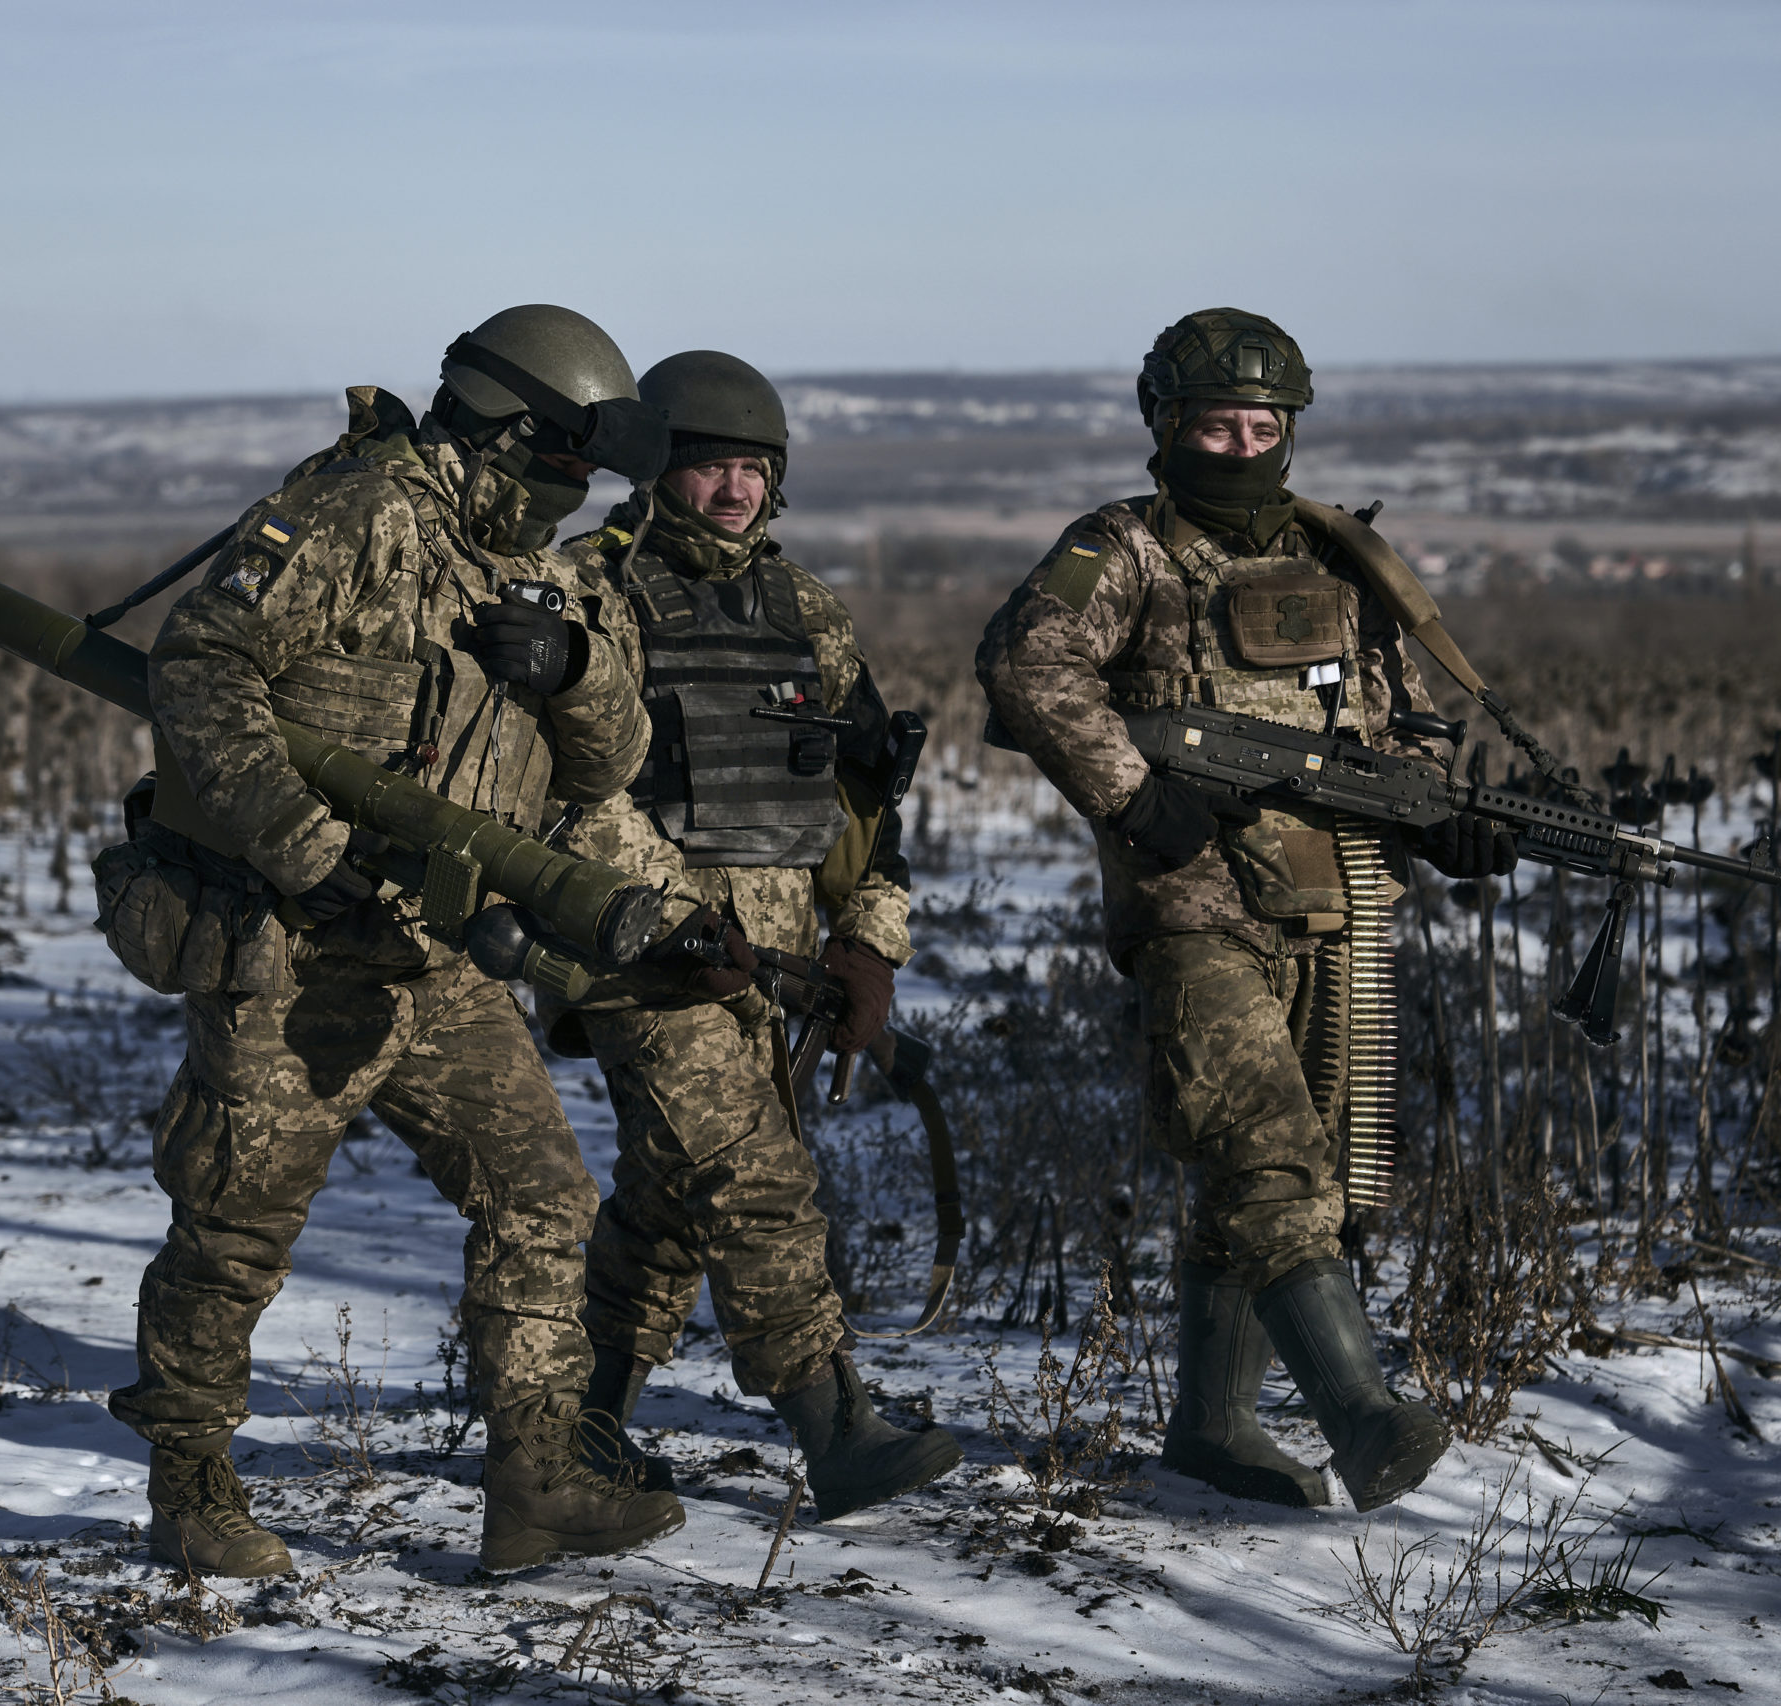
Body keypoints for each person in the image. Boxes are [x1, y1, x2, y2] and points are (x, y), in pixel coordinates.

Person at [104, 306, 685, 1574]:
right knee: (234, 1226)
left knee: (544, 1201)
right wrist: (313, 855)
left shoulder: (546, 566)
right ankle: (191, 1482)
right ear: (502, 427)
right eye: (563, 460)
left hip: (446, 960)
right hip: (294, 950)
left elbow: (611, 763)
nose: (574, 491)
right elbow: (200, 668)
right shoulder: (356, 517)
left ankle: (535, 1480)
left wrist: (574, 667)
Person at [976, 308, 1514, 1513]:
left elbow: (1396, 728)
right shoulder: (1126, 549)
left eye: (1260, 423)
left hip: (1336, 901)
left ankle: (1213, 1430)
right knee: (1270, 1161)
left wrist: (1445, 819)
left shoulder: (1339, 561)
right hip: (1193, 904)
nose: (1238, 441)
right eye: (1213, 421)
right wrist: (1127, 793)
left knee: (1296, 1169)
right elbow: (1025, 664)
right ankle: (1362, 1414)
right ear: (1165, 425)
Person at [542, 351, 960, 1522]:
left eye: (751, 468)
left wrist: (868, 944)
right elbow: (574, 791)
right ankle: (836, 1430)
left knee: (672, 1201)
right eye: (705, 466)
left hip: (773, 968)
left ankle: (577, 1421)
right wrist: (679, 919)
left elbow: (867, 802)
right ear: (652, 471)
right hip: (642, 953)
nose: (732, 490)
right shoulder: (587, 591)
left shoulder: (801, 607)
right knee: (752, 1179)